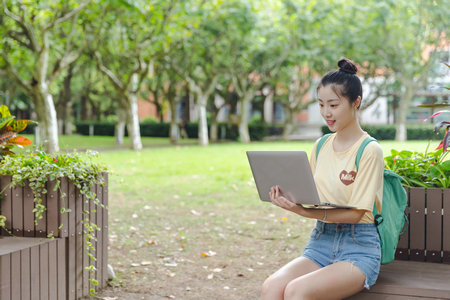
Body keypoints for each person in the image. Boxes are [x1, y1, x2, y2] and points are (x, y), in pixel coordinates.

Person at [261, 58, 384, 300]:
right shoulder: (321, 145)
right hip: (321, 242)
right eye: (320, 104)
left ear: (355, 102)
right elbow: (311, 196)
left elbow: (356, 213)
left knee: (298, 291)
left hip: (359, 248)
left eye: (334, 105)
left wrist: (303, 212)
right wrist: (288, 197)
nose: (326, 113)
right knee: (272, 287)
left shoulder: (369, 150)